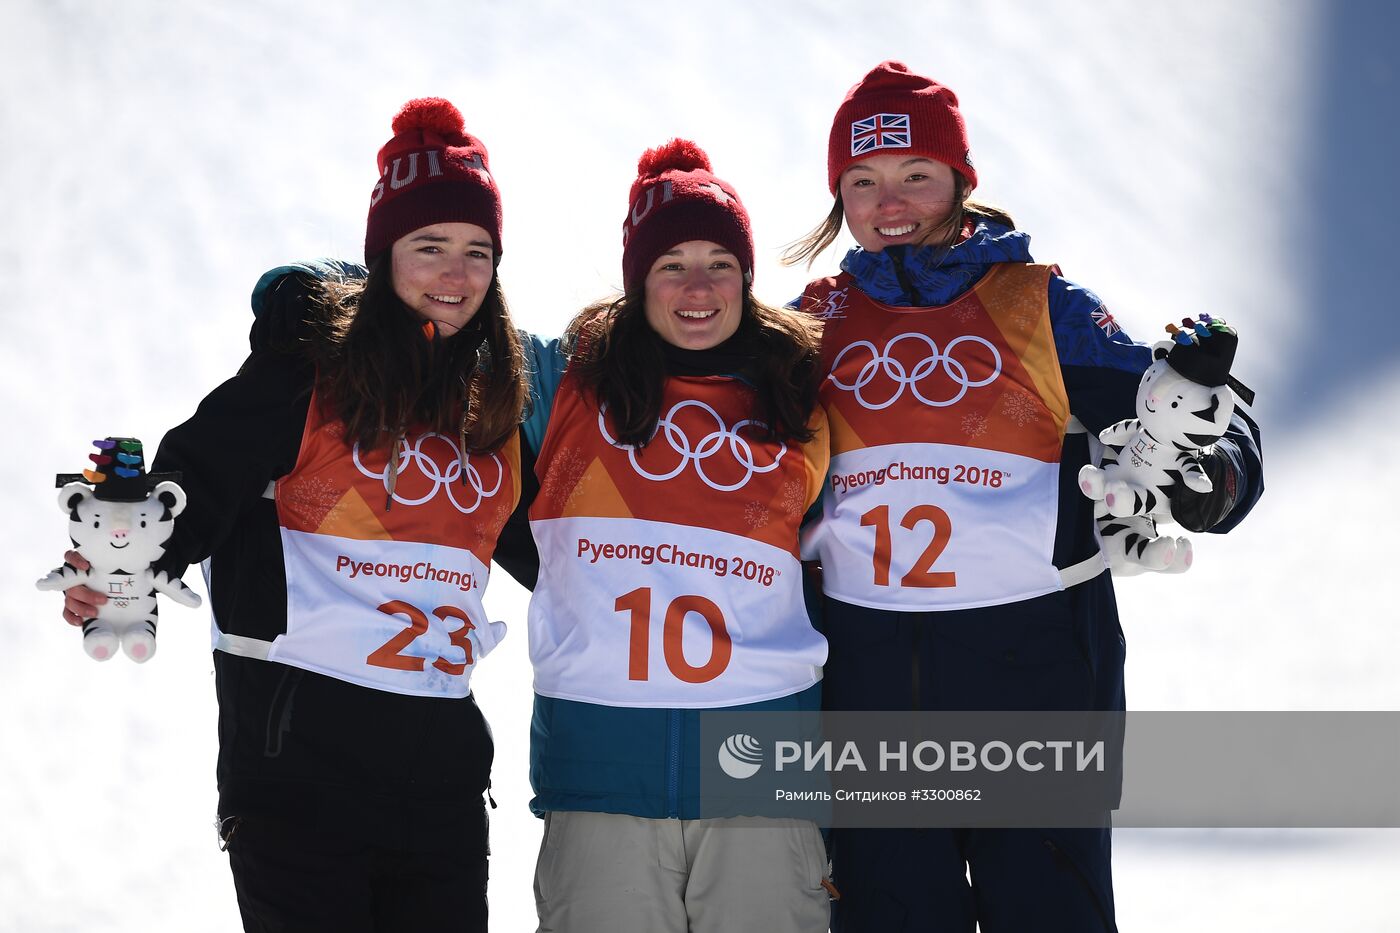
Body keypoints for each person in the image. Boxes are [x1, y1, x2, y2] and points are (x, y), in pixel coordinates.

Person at [787, 62, 1265, 932]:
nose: (889, 200)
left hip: (1035, 679)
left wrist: (1209, 480)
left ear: (961, 182)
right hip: (868, 690)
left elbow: (1191, 420)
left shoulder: (1043, 307)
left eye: (915, 175)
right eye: (862, 181)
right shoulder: (813, 324)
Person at [56, 97, 531, 932]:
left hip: (443, 789)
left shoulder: (492, 412)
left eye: (476, 252)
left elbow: (571, 554)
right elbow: (196, 475)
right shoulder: (308, 372)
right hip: (301, 776)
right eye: (430, 248)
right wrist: (126, 565)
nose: (455, 275)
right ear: (383, 255)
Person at [521, 139, 833, 933]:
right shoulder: (562, 383)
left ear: (748, 276)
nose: (698, 287)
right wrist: (303, 288)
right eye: (672, 266)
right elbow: (437, 318)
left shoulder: (804, 390)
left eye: (720, 263)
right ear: (636, 281)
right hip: (601, 781)